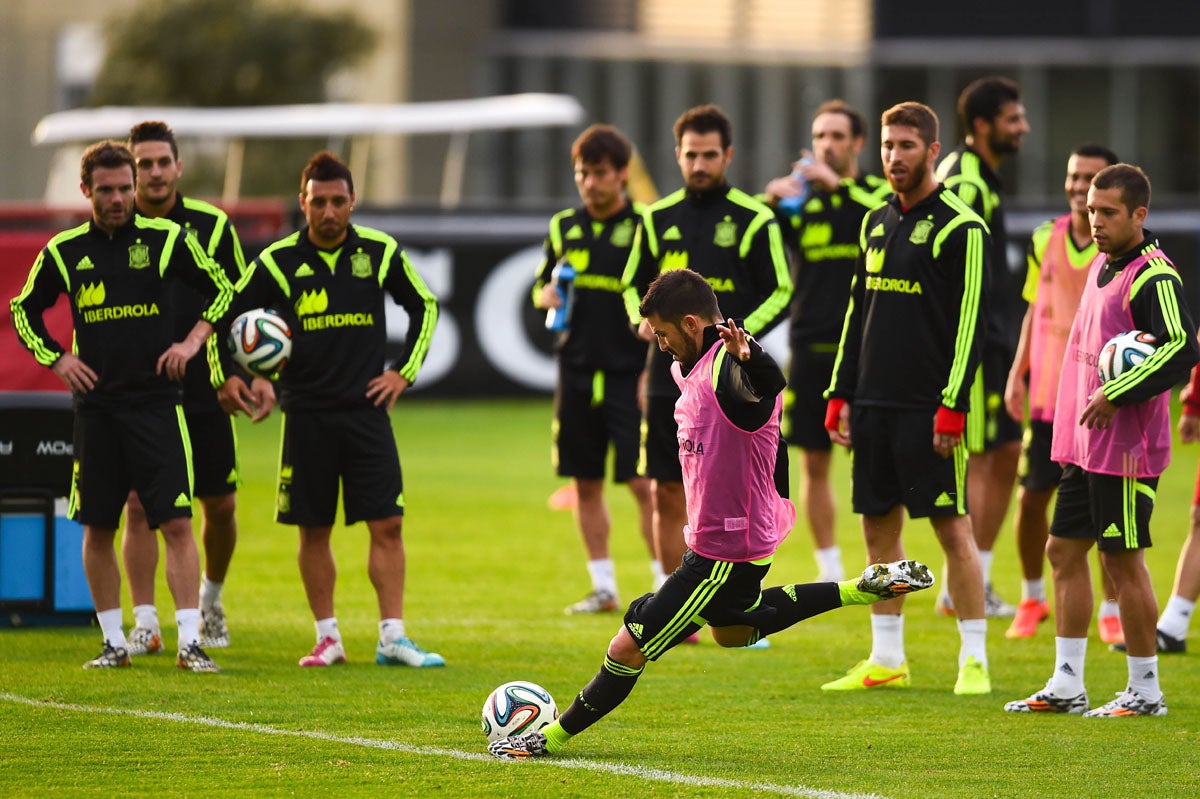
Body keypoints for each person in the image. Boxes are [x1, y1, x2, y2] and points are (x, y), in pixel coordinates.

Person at [488, 268, 934, 760]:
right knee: (732, 631)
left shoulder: (731, 369)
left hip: (722, 551)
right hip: (744, 540)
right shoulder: (695, 365)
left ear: (691, 323)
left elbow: (767, 384)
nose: (659, 345)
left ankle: (544, 740)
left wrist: (754, 358)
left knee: (626, 647)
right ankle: (859, 587)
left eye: (662, 333)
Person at [9, 140, 234, 672]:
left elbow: (224, 289)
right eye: (106, 190)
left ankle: (189, 643)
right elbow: (24, 310)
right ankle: (114, 640)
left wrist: (192, 341)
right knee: (98, 526)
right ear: (85, 190)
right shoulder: (64, 251)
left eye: (124, 189)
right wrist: (58, 359)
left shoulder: (165, 239)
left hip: (158, 404)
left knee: (177, 521)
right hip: (97, 407)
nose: (117, 199)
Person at [221, 150, 442, 668]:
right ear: (302, 202)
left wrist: (403, 371)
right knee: (313, 528)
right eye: (317, 201)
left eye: (337, 201)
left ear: (352, 201)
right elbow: (226, 314)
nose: (327, 211)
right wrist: (250, 376)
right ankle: (327, 638)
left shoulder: (378, 252)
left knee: (388, 524)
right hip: (306, 414)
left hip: (367, 413)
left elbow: (423, 305)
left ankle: (392, 637)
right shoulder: (278, 261)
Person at [1005, 163, 1198, 717]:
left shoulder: (1153, 276)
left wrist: (1117, 392)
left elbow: (1181, 345)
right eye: (1092, 210)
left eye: (1109, 212)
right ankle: (1068, 683)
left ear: (1139, 215)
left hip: (1127, 452)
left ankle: (1146, 691)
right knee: (1062, 551)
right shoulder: (1101, 264)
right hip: (1085, 446)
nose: (1096, 220)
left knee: (1122, 562)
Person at [823, 101, 992, 695]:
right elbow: (856, 310)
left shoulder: (962, 227)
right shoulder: (873, 220)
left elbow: (971, 323)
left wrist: (953, 404)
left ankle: (974, 658)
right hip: (871, 403)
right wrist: (839, 391)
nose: (894, 157)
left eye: (907, 147)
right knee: (878, 531)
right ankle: (887, 657)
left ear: (933, 152)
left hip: (929, 409)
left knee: (951, 529)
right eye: (889, 146)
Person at [621, 104, 792, 611]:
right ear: (677, 155)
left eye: (710, 155)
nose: (699, 164)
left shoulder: (755, 219)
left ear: (728, 155)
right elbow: (631, 286)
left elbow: (781, 289)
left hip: (733, 381)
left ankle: (738, 599)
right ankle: (675, 602)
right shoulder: (655, 218)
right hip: (666, 378)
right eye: (691, 155)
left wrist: (733, 341)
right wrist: (641, 319)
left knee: (744, 496)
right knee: (666, 492)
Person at [118, 120, 271, 657]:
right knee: (139, 505)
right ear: (131, 171)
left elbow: (239, 302)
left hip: (206, 386)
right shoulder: (116, 227)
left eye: (163, 162)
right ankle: (144, 622)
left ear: (179, 167)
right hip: (139, 390)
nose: (154, 172)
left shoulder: (211, 225)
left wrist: (246, 373)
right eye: (144, 164)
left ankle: (210, 600)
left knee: (220, 505)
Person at [762, 99, 891, 582]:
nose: (827, 145)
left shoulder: (874, 195)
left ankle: (875, 564)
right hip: (812, 349)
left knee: (870, 461)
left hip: (865, 352)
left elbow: (886, 220)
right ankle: (828, 567)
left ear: (857, 144)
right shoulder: (803, 205)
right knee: (812, 464)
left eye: (837, 137)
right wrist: (770, 202)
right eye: (820, 137)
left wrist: (840, 187)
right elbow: (756, 247)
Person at [532, 124, 659, 614]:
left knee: (642, 482)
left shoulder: (644, 226)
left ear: (622, 174)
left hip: (631, 370)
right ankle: (604, 587)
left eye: (600, 173)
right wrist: (542, 293)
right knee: (584, 480)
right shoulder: (564, 226)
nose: (589, 182)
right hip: (577, 367)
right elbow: (542, 284)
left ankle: (665, 585)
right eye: (582, 173)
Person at [1003, 144, 1125, 641]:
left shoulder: (1116, 245)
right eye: (1074, 177)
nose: (1079, 187)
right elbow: (1036, 308)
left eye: (1090, 179)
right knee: (1032, 500)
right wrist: (1017, 373)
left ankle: (1111, 610)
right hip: (1049, 396)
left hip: (1098, 402)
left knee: (1102, 509)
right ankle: (1033, 597)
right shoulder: (1043, 238)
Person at [934, 76, 1030, 619]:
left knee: (1001, 454)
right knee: (983, 458)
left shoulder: (979, 178)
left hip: (990, 341)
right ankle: (965, 585)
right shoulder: (966, 183)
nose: (1023, 127)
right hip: (976, 346)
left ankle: (969, 582)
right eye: (1013, 118)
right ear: (983, 126)